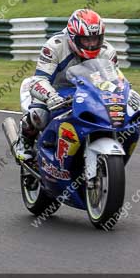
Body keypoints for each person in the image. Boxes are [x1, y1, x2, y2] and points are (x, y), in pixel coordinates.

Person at [14, 9, 118, 163]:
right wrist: (51, 96)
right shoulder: (54, 46)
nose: (91, 44)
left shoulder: (107, 52)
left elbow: (115, 82)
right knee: (39, 115)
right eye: (85, 40)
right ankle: (25, 142)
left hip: (89, 93)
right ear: (73, 37)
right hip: (54, 91)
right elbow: (39, 80)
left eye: (95, 39)